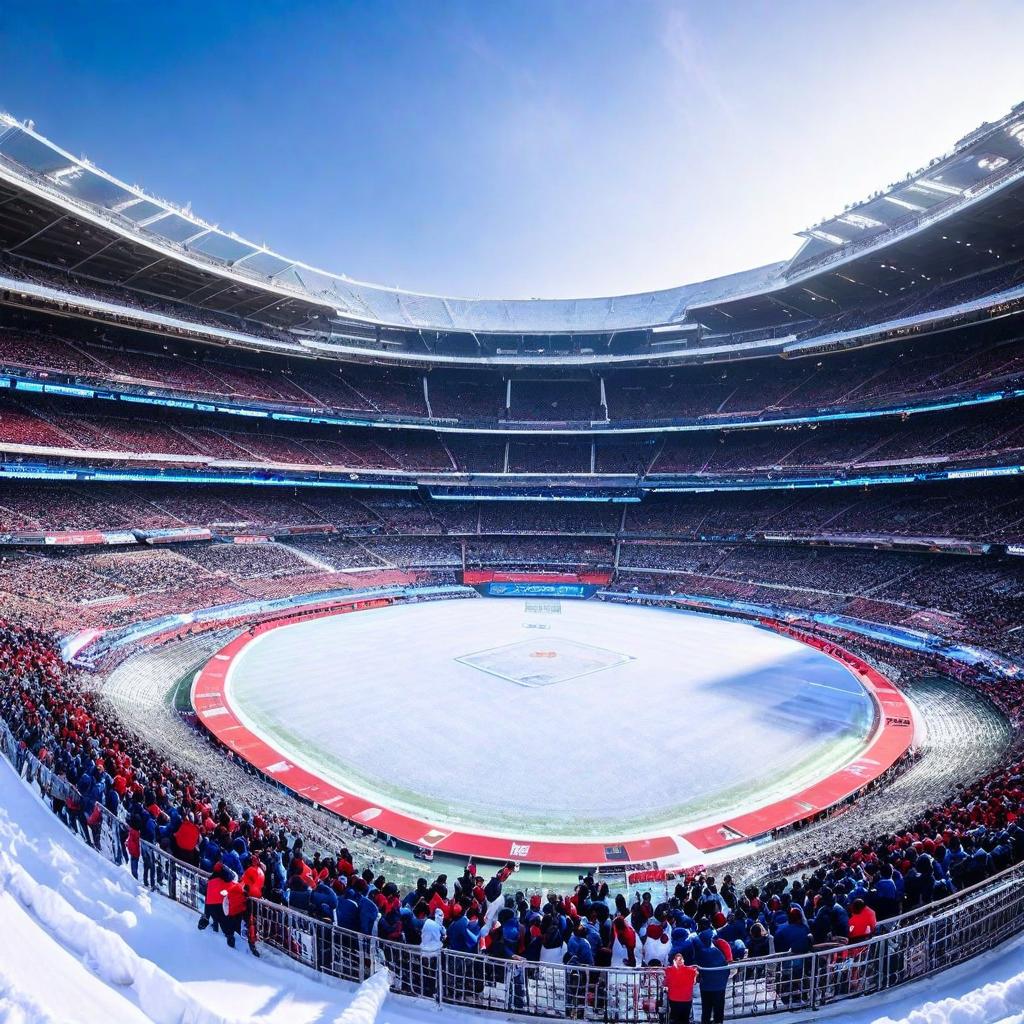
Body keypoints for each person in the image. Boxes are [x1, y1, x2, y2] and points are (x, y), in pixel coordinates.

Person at [694, 929, 730, 1024]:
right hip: (719, 986)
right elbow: (726, 967)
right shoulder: (716, 951)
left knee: (706, 1009)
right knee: (718, 1009)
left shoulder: (699, 953)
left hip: (706, 986)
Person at [665, 952, 699, 1024]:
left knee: (675, 1019)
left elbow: (666, 983)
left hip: (674, 999)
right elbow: (694, 982)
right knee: (685, 1020)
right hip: (686, 1000)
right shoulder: (691, 970)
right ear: (683, 961)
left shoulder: (669, 970)